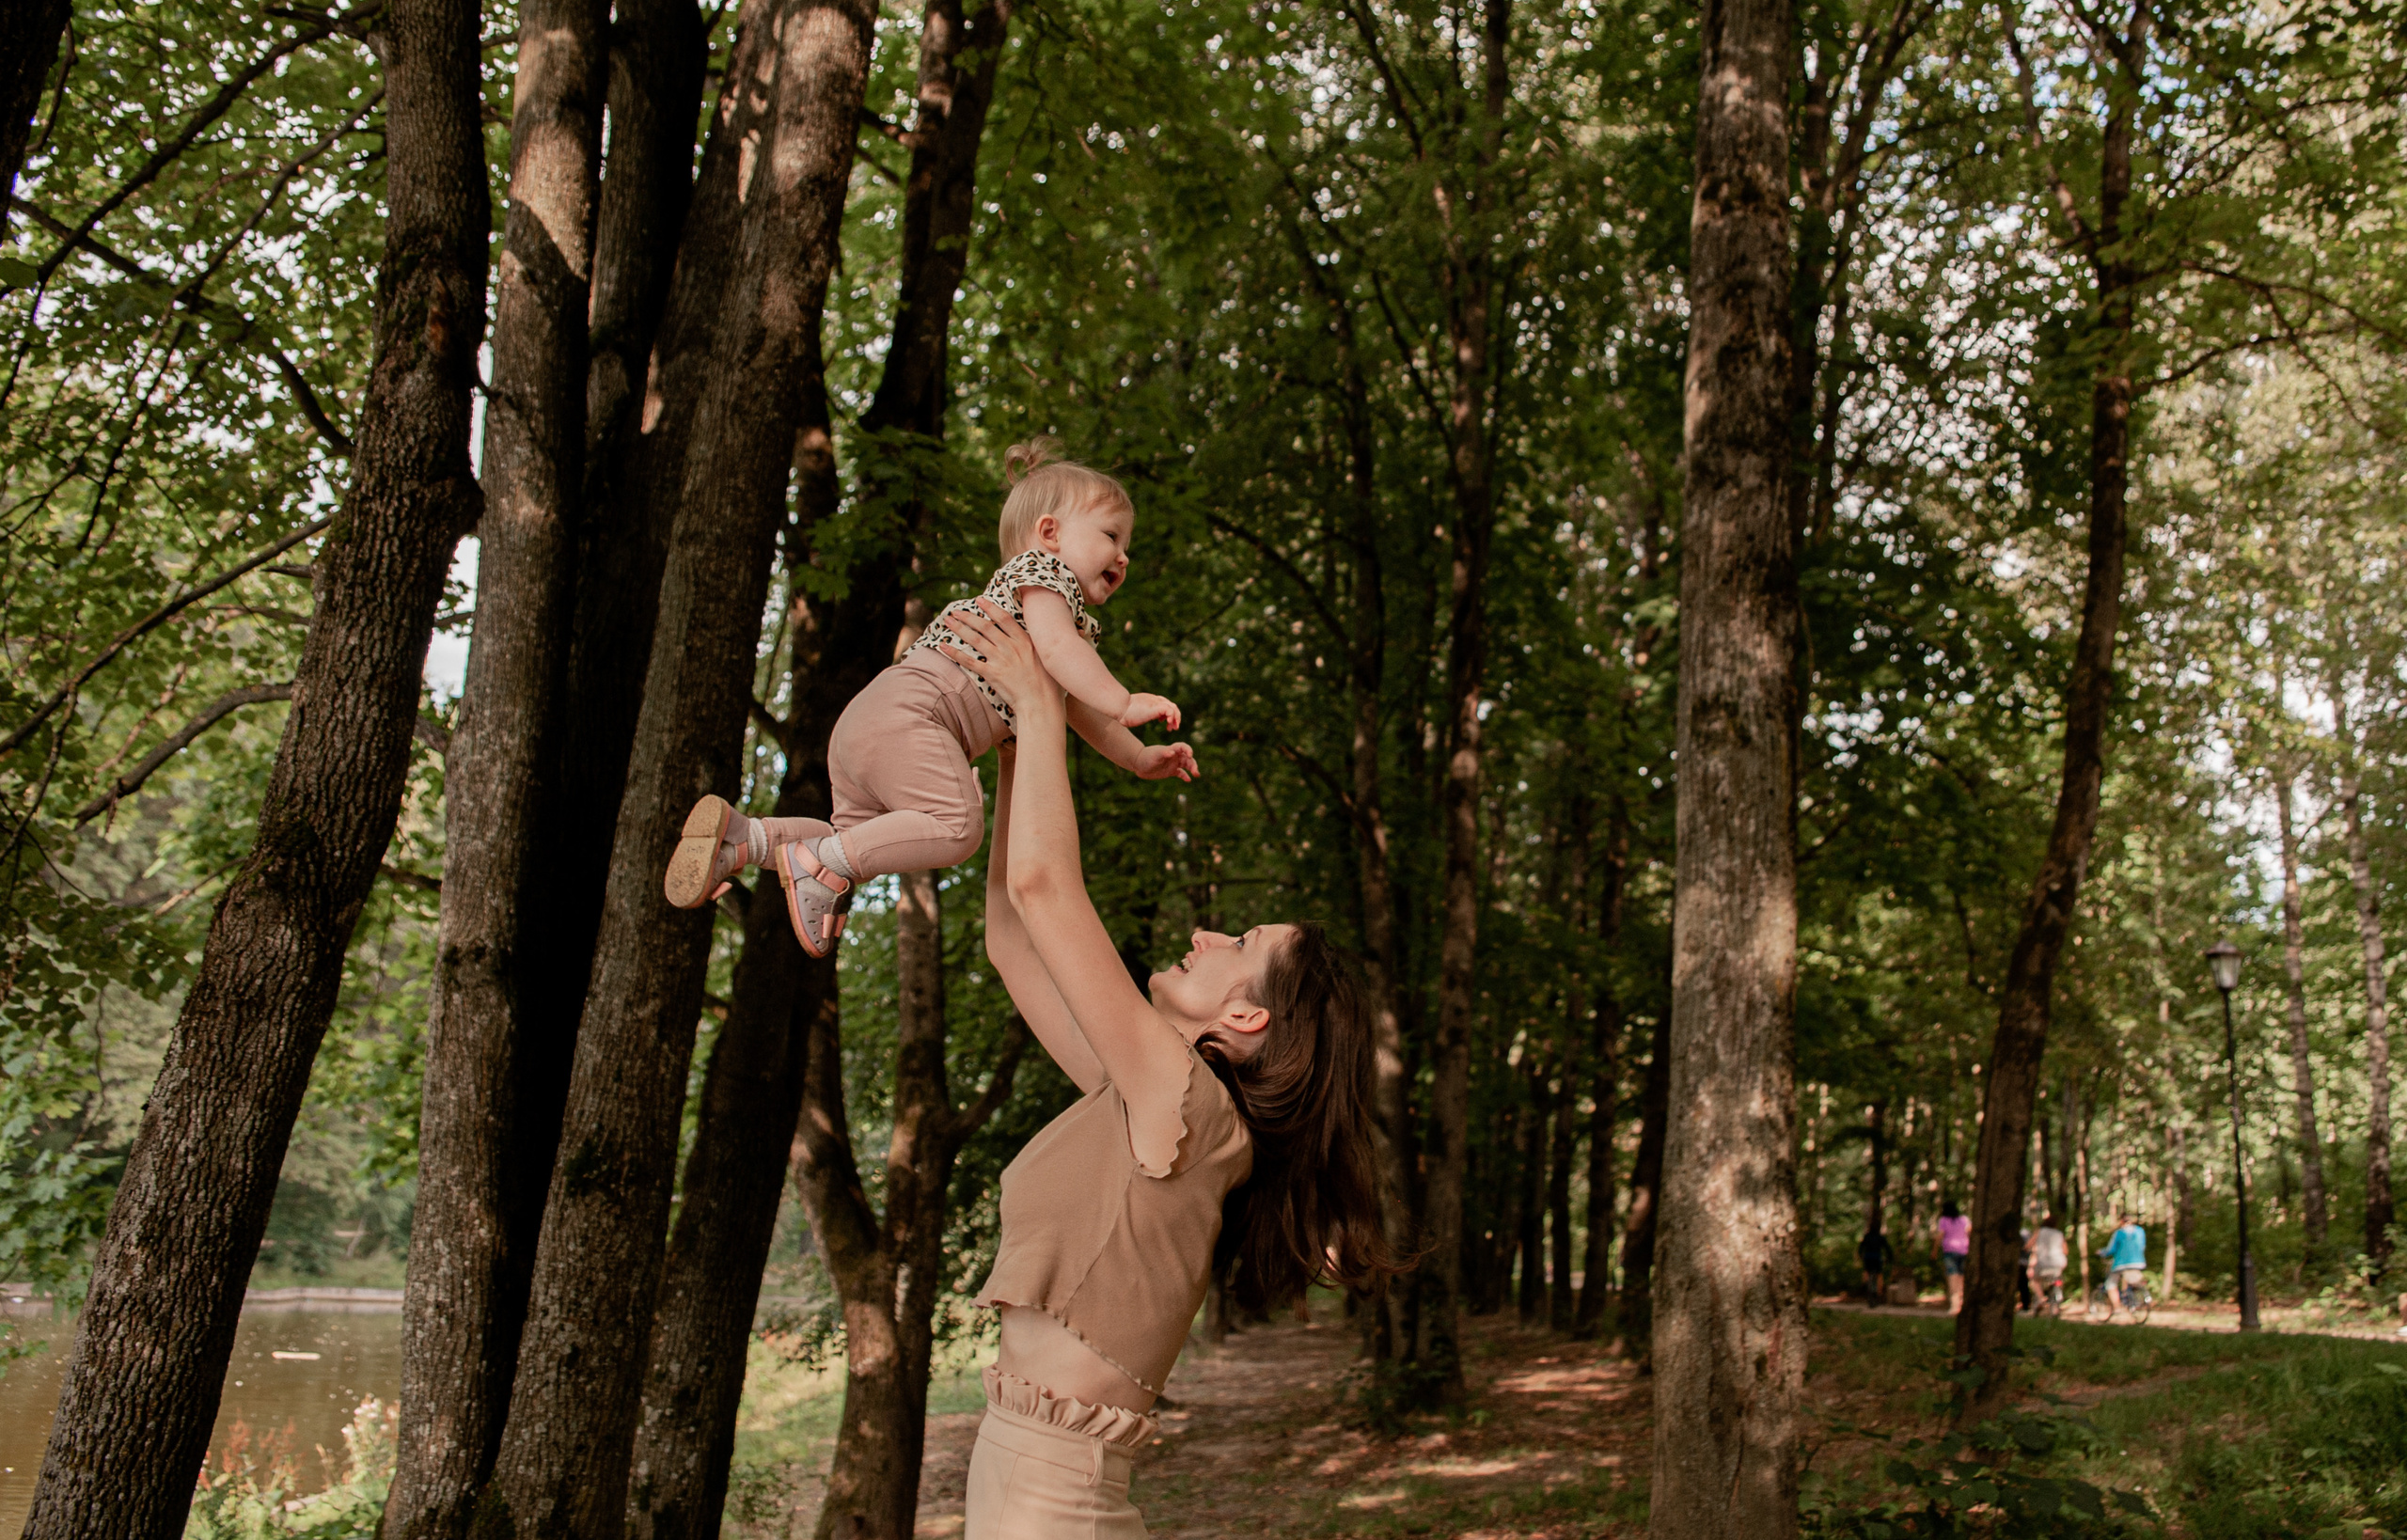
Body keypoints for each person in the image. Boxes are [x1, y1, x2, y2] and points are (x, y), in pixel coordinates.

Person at [935, 596, 1391, 1537]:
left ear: (1246, 1016)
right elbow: (1013, 938)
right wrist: (1019, 737)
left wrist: (1041, 700)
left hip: (1047, 1506)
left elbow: (1044, 887)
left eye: (1239, 942)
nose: (1207, 933)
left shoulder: (1185, 1104)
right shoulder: (1149, 1103)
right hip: (1034, 1489)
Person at [660, 439, 1198, 952]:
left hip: (873, 719)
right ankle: (822, 866)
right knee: (956, 827)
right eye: (1112, 536)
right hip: (915, 715)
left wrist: (1136, 756)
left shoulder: (1046, 610)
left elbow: (1076, 704)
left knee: (854, 837)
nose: (1123, 557)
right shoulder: (1043, 577)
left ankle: (744, 841)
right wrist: (1125, 701)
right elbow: (1062, 652)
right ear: (1050, 533)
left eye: (1127, 546)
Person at [2101, 1214, 2147, 1310]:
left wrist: (2102, 1252)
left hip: (2121, 1263)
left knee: (2111, 1283)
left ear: (2121, 1221)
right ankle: (2131, 1297)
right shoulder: (2140, 1231)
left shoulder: (2119, 1233)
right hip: (2138, 1262)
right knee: (2129, 1279)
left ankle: (2117, 1307)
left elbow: (2111, 1249)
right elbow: (2142, 1246)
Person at [1934, 1200, 1971, 1315]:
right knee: (1961, 1278)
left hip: (1950, 1251)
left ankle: (1955, 1306)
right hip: (1964, 1251)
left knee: (1952, 1277)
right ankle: (1962, 1304)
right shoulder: (1964, 1220)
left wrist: (1934, 1251)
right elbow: (1970, 1232)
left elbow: (1940, 1236)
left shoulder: (1943, 1220)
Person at [2026, 1213, 2069, 1314]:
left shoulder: (2040, 1231)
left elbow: (2029, 1245)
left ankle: (2041, 1299)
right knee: (2057, 1278)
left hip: (2043, 1263)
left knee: (2034, 1279)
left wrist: (2028, 1250)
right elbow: (2066, 1250)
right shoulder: (2059, 1234)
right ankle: (2056, 1300)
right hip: (2059, 1262)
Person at [1857, 1224, 1895, 1306]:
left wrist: (1860, 1255)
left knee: (1866, 1272)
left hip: (1867, 1258)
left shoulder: (1867, 1237)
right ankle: (1879, 1292)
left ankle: (1865, 1285)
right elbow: (1887, 1248)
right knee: (1879, 1275)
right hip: (1877, 1258)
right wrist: (1890, 1257)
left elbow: (1861, 1247)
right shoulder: (1880, 1237)